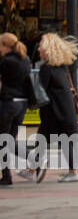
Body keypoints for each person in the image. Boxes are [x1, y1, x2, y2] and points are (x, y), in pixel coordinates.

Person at [36, 33, 78, 182]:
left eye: (40, 46)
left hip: (55, 112)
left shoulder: (47, 68)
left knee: (43, 141)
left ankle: (74, 172)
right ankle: (74, 171)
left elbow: (40, 90)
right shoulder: (63, 67)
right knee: (64, 140)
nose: (38, 49)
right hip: (66, 110)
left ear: (48, 48)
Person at [0, 32, 37, 186]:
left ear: (5, 46)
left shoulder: (7, 61)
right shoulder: (25, 59)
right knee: (8, 140)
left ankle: (7, 176)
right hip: (21, 105)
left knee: (3, 141)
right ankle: (33, 158)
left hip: (9, 104)